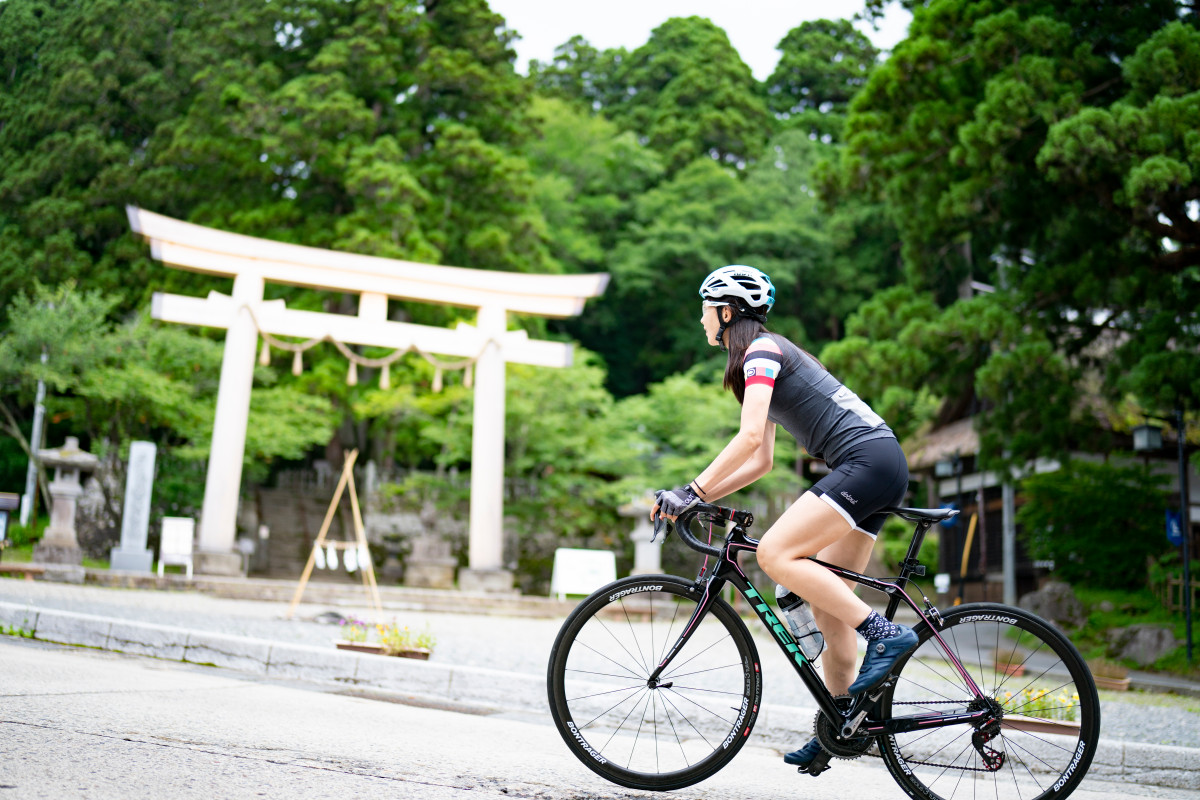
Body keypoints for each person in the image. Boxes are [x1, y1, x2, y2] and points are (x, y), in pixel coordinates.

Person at [651, 264, 915, 773]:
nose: (701, 319)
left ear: (727, 313)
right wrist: (702, 498)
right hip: (878, 463)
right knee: (828, 611)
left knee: (774, 553)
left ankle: (886, 635)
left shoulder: (762, 352)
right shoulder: (759, 361)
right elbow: (762, 460)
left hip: (867, 462)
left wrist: (691, 490)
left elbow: (749, 438)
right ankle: (843, 725)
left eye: (706, 310)